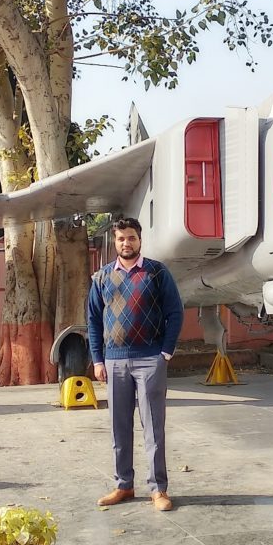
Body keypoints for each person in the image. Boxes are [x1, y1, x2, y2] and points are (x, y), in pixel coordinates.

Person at [87, 217, 184, 511]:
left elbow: (175, 313)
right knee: (119, 427)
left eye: (131, 238)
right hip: (114, 362)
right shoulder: (102, 277)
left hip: (149, 360)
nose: (126, 243)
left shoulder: (156, 273)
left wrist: (164, 354)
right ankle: (124, 485)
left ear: (140, 240)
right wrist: (97, 359)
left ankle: (158, 489)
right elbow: (92, 319)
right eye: (120, 239)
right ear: (114, 243)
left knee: (154, 426)